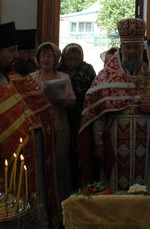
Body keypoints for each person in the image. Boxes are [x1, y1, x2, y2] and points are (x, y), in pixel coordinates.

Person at [0, 22, 60, 226]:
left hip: (23, 166)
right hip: (3, 171)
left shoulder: (5, 76)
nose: (16, 55)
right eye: (11, 50)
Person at [78, 17, 150, 190]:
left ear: (142, 48)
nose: (132, 52)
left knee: (145, 184)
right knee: (114, 185)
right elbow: (96, 111)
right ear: (121, 48)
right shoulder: (107, 77)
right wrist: (99, 143)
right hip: (114, 138)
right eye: (128, 47)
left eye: (136, 47)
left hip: (146, 138)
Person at [31, 42, 76, 202]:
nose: (46, 59)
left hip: (60, 125)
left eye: (49, 56)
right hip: (39, 125)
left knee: (59, 162)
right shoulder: (31, 78)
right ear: (38, 59)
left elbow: (73, 102)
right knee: (40, 161)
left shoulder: (64, 77)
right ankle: (41, 200)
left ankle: (61, 200)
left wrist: (61, 101)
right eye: (43, 56)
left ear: (56, 59)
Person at [57, 43, 96, 189]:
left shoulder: (87, 69)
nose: (72, 63)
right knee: (65, 153)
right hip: (63, 116)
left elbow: (94, 90)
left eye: (75, 60)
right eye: (69, 59)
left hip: (83, 116)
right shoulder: (59, 71)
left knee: (82, 151)